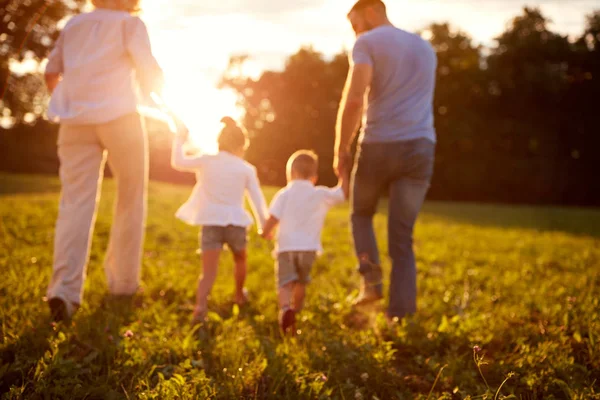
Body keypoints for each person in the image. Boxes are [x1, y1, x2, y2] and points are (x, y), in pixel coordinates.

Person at [44, 0, 164, 321]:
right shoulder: (129, 25)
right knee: (130, 197)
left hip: (73, 122)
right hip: (121, 118)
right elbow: (149, 72)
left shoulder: (74, 25)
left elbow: (52, 72)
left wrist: (71, 99)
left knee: (75, 202)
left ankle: (63, 292)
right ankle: (123, 284)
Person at [333, 0, 437, 319]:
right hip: (420, 146)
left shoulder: (367, 42)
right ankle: (401, 316)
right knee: (401, 237)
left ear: (371, 11)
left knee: (361, 214)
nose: (355, 32)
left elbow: (354, 100)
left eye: (355, 23)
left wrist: (341, 149)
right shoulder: (425, 47)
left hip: (379, 144)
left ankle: (371, 281)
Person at [171, 117, 268, 323]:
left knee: (208, 272)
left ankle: (200, 307)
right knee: (240, 259)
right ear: (242, 145)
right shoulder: (246, 168)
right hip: (236, 224)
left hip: (211, 222)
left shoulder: (207, 160)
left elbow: (178, 162)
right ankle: (239, 294)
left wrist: (180, 137)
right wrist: (264, 226)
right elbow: (257, 200)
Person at [261, 150, 349, 334]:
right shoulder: (320, 193)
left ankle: (285, 309)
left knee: (285, 283)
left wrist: (265, 232)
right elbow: (343, 193)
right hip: (309, 249)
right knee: (301, 282)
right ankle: (297, 310)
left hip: (286, 248)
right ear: (314, 177)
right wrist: (343, 173)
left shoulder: (283, 194)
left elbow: (272, 218)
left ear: (290, 174)